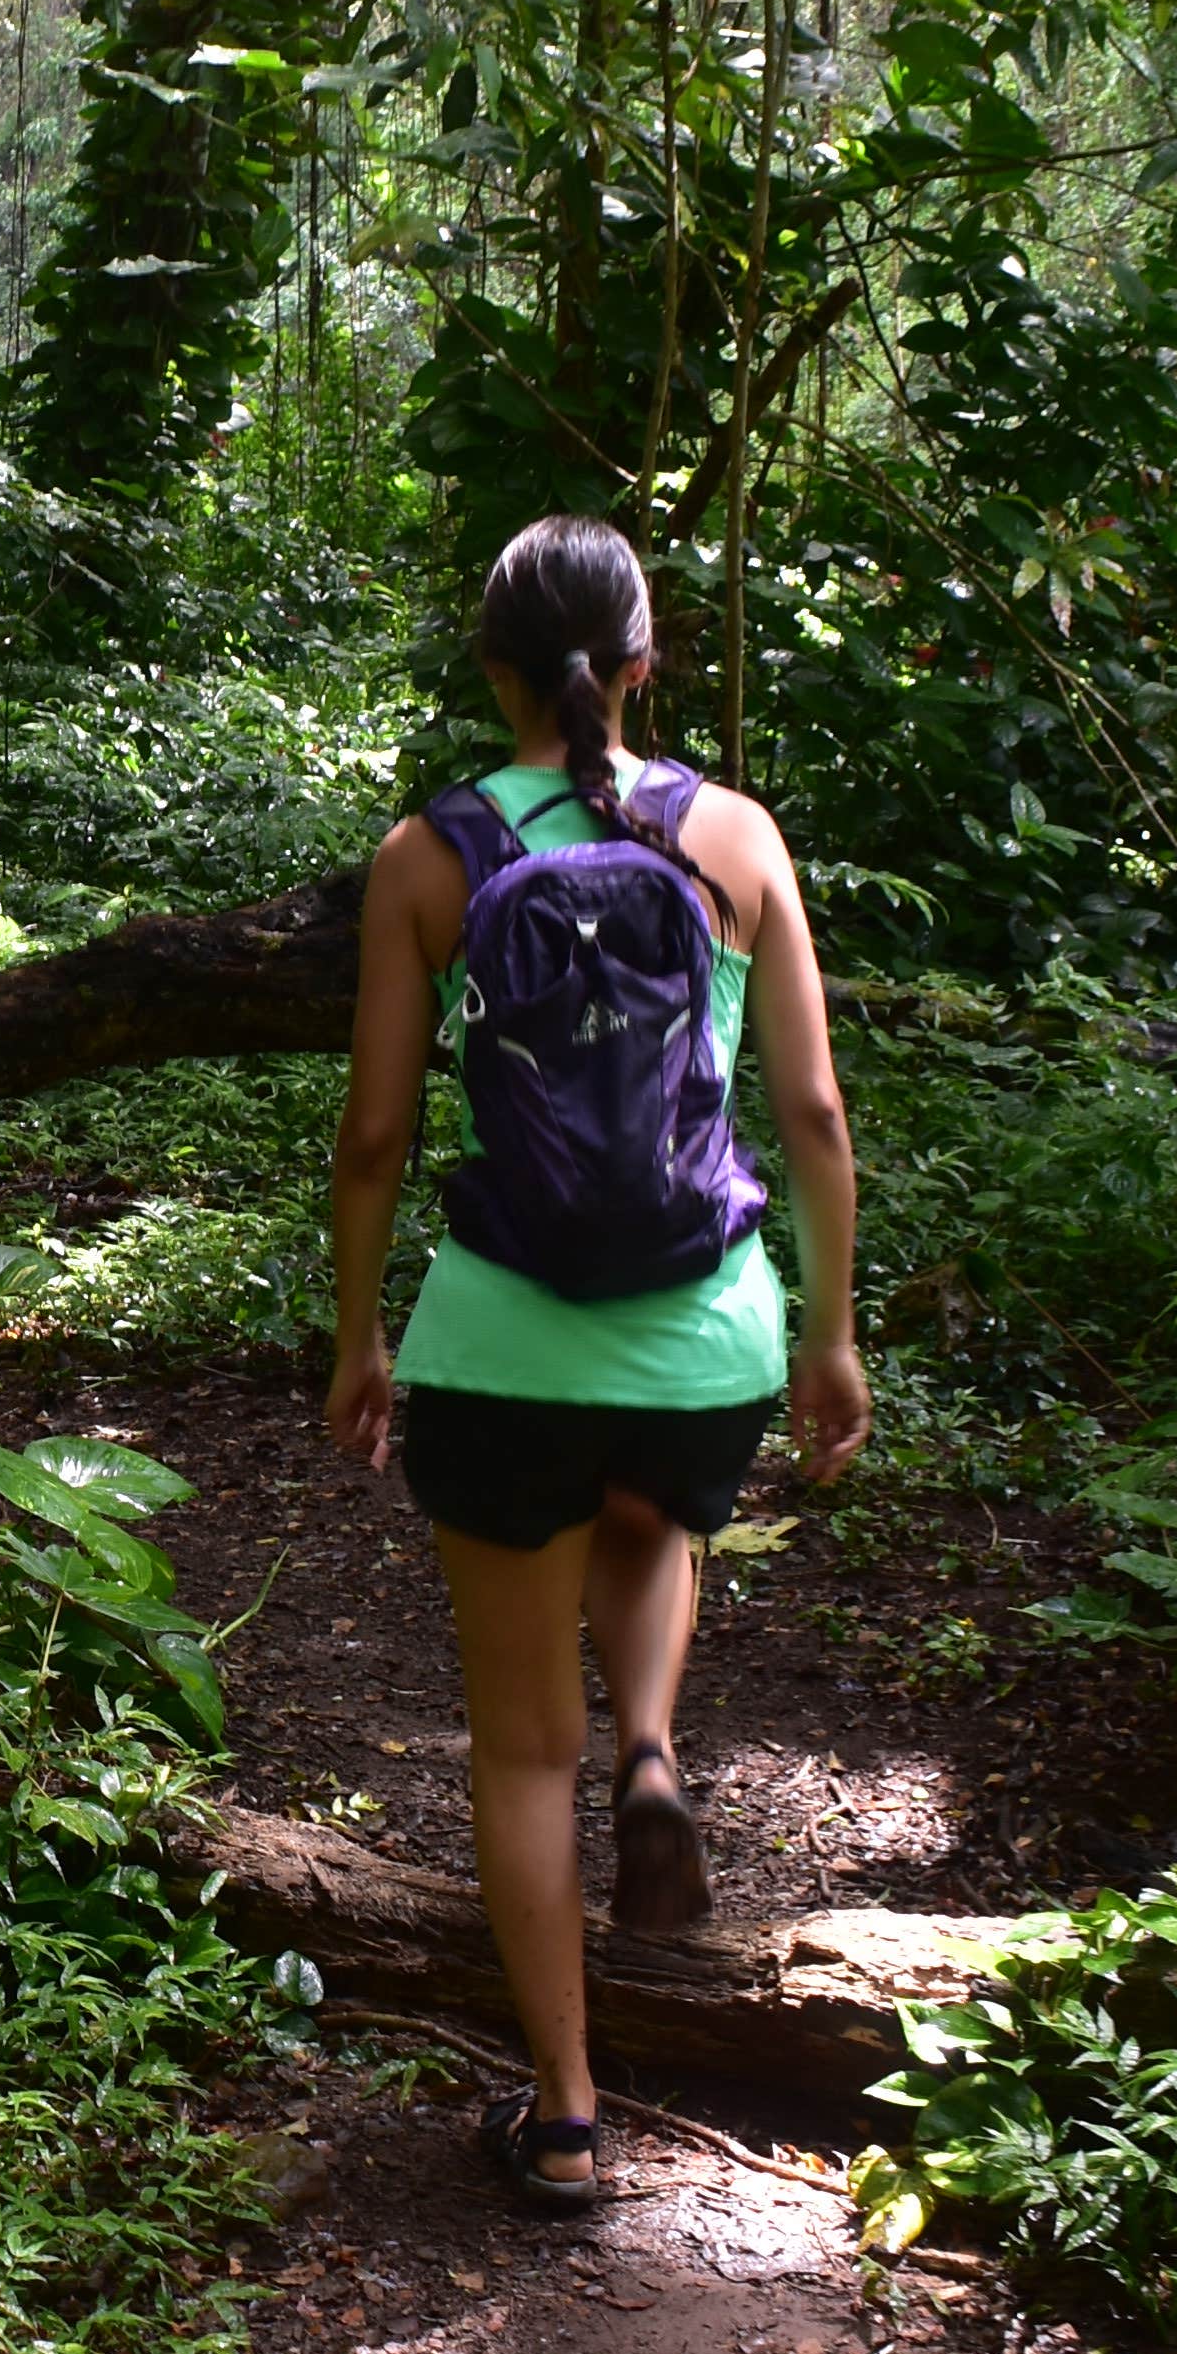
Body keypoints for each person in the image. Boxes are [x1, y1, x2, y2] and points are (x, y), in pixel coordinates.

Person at [321, 515, 868, 2218]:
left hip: (501, 1345)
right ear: (644, 663)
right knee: (651, 1509)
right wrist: (832, 1332)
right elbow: (812, 1112)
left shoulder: (428, 858)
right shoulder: (735, 838)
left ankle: (566, 2116)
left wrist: (358, 1331)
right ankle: (650, 1744)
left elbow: (375, 1135)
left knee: (513, 1750)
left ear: (492, 671)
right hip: (709, 1337)